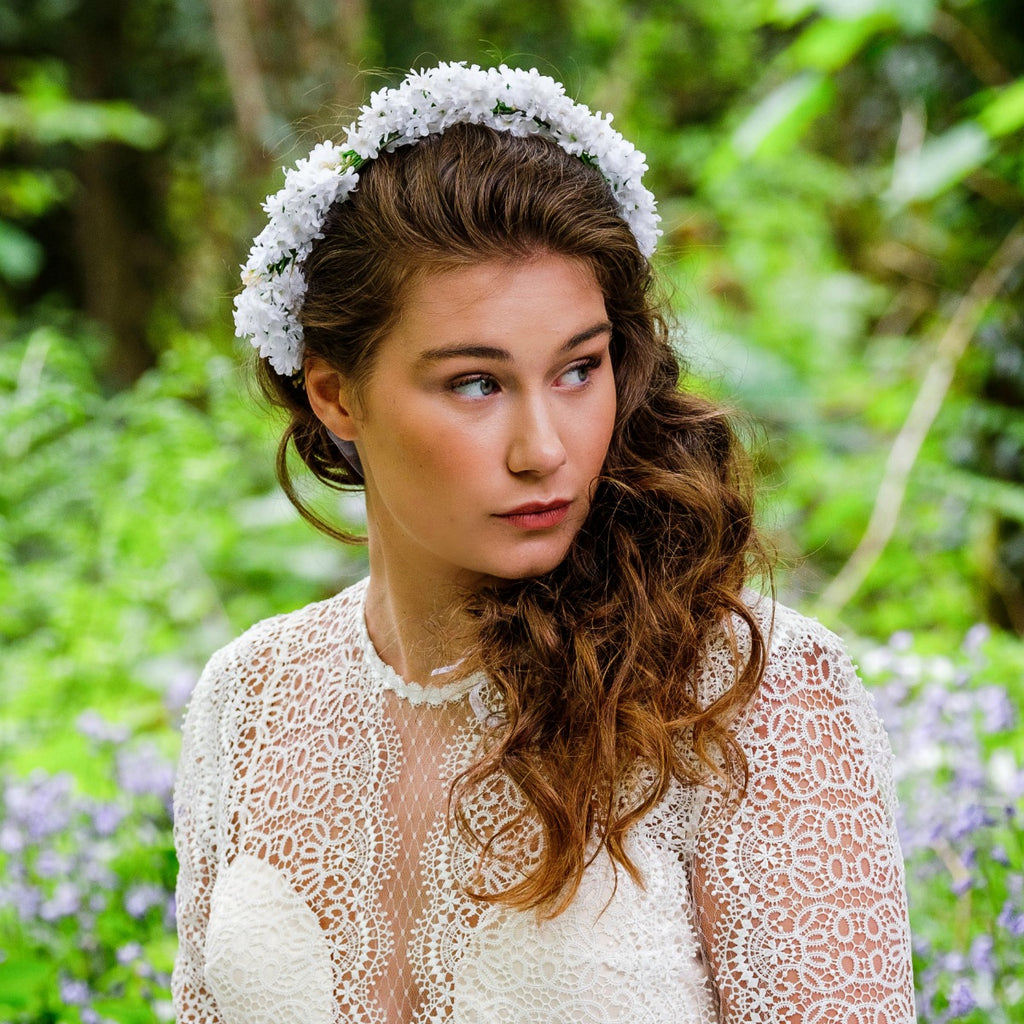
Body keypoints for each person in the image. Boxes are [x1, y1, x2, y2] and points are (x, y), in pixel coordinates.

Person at [172, 62, 916, 1024]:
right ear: (335, 396)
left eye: (578, 369)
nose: (545, 450)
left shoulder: (744, 692)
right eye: (476, 384)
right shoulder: (249, 699)